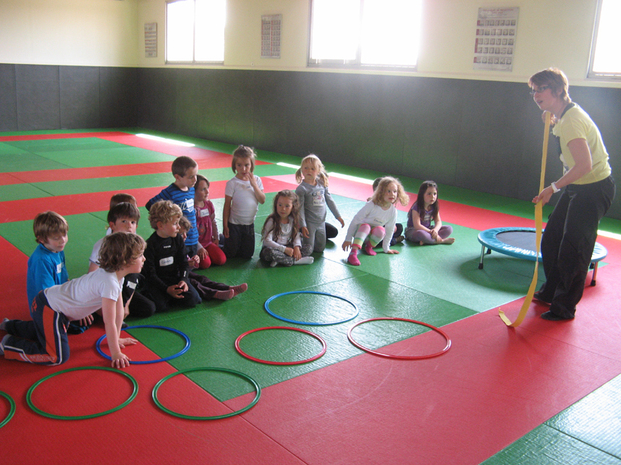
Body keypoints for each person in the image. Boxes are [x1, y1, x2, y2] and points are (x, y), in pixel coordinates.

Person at [529, 67, 615, 321]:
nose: (535, 95)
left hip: (594, 188)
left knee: (575, 249)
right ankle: (552, 290)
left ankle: (564, 307)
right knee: (553, 238)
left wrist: (553, 188)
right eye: (532, 90)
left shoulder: (571, 121)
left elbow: (584, 166)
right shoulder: (562, 115)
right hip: (579, 186)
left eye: (540, 89)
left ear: (557, 90)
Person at [1, 233, 145, 367]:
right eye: (140, 256)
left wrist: (117, 338)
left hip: (49, 304)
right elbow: (109, 321)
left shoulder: (115, 276)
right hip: (50, 308)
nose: (144, 259)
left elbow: (119, 311)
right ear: (125, 261)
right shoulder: (109, 282)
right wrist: (115, 353)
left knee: (46, 330)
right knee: (56, 357)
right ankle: (8, 344)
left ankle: (9, 326)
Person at [88, 202, 155, 318]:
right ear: (112, 225)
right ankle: (104, 311)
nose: (129, 226)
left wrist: (126, 305)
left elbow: (134, 277)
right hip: (103, 286)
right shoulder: (103, 245)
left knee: (149, 308)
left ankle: (119, 310)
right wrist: (98, 307)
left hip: (122, 287)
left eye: (133, 222)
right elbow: (92, 275)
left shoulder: (136, 244)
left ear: (136, 227)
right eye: (124, 221)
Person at [142, 200, 201, 313]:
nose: (179, 227)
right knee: (161, 307)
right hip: (158, 282)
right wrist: (166, 289)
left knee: (194, 300)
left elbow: (183, 263)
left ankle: (173, 295)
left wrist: (183, 280)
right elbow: (150, 274)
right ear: (160, 225)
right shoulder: (150, 245)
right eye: (175, 224)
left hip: (175, 278)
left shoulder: (177, 239)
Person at [146, 156, 202, 262]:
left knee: (191, 264)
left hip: (193, 236)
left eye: (196, 175)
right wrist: (165, 221)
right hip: (178, 237)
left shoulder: (191, 190)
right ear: (178, 177)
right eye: (191, 177)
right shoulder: (170, 192)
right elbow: (150, 205)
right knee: (179, 263)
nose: (195, 179)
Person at [342, 177, 409, 266]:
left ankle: (369, 247)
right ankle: (353, 253)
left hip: (371, 236)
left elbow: (389, 230)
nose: (392, 194)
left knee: (381, 230)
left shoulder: (393, 211)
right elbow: (356, 220)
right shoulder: (372, 204)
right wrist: (348, 239)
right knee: (366, 226)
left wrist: (386, 248)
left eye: (395, 191)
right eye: (388, 191)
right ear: (381, 192)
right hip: (360, 232)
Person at [178, 216, 248, 300]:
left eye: (186, 233)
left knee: (202, 278)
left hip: (184, 273)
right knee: (194, 283)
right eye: (182, 234)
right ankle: (216, 294)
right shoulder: (173, 247)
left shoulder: (181, 246)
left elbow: (185, 262)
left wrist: (192, 261)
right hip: (178, 275)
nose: (185, 236)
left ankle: (228, 288)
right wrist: (186, 264)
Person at [221, 145, 266, 259]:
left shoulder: (257, 180)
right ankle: (221, 239)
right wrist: (225, 225)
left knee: (247, 255)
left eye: (247, 165)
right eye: (239, 165)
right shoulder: (232, 183)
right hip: (234, 224)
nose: (243, 169)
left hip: (249, 224)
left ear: (251, 165)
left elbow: (262, 200)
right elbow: (227, 206)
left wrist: (254, 185)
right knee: (231, 254)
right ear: (234, 166)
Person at [295, 154, 344, 255]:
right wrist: (303, 225)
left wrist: (338, 216)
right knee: (308, 250)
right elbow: (300, 209)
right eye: (306, 168)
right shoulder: (302, 189)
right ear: (302, 170)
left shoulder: (322, 184)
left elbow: (330, 200)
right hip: (309, 223)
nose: (309, 171)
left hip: (321, 221)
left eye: (312, 169)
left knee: (320, 248)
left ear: (318, 171)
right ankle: (297, 236)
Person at [260, 190, 314, 267]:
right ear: (276, 205)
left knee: (309, 248)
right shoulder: (272, 221)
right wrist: (284, 249)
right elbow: (267, 241)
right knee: (269, 253)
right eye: (280, 205)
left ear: (293, 207)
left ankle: (282, 260)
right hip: (275, 248)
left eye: (287, 206)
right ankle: (295, 261)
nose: (283, 209)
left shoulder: (293, 219)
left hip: (289, 247)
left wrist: (296, 247)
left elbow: (296, 235)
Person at [405, 180, 455, 245]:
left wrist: (435, 230)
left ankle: (428, 240)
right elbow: (417, 226)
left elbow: (438, 221)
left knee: (449, 229)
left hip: (428, 229)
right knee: (421, 234)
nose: (432, 196)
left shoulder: (434, 206)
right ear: (422, 195)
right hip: (414, 230)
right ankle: (441, 241)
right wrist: (431, 232)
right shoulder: (416, 207)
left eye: (434, 194)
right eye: (429, 194)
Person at [195, 174, 226, 268]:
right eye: (203, 189)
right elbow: (190, 232)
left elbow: (213, 221)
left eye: (207, 188)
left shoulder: (209, 205)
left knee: (221, 260)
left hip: (208, 242)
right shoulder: (192, 209)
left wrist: (216, 237)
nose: (207, 191)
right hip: (197, 243)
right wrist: (198, 247)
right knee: (205, 264)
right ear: (193, 191)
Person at [368, 177, 405, 247]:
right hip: (376, 228)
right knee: (386, 239)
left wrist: (391, 227)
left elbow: (390, 220)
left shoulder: (388, 201)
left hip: (384, 226)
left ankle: (389, 238)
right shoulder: (372, 203)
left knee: (399, 227)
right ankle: (395, 240)